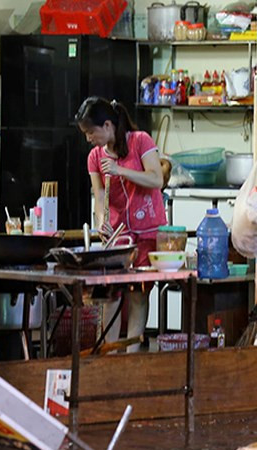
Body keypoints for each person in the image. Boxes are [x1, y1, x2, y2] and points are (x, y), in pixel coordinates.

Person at [75, 96, 167, 351]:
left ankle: (132, 356)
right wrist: (101, 222)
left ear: (107, 126)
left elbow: (156, 179)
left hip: (148, 232)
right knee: (110, 296)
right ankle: (108, 355)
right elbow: (100, 196)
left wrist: (120, 171)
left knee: (138, 295)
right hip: (118, 237)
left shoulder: (140, 141)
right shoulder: (94, 157)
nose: (88, 139)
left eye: (90, 132)